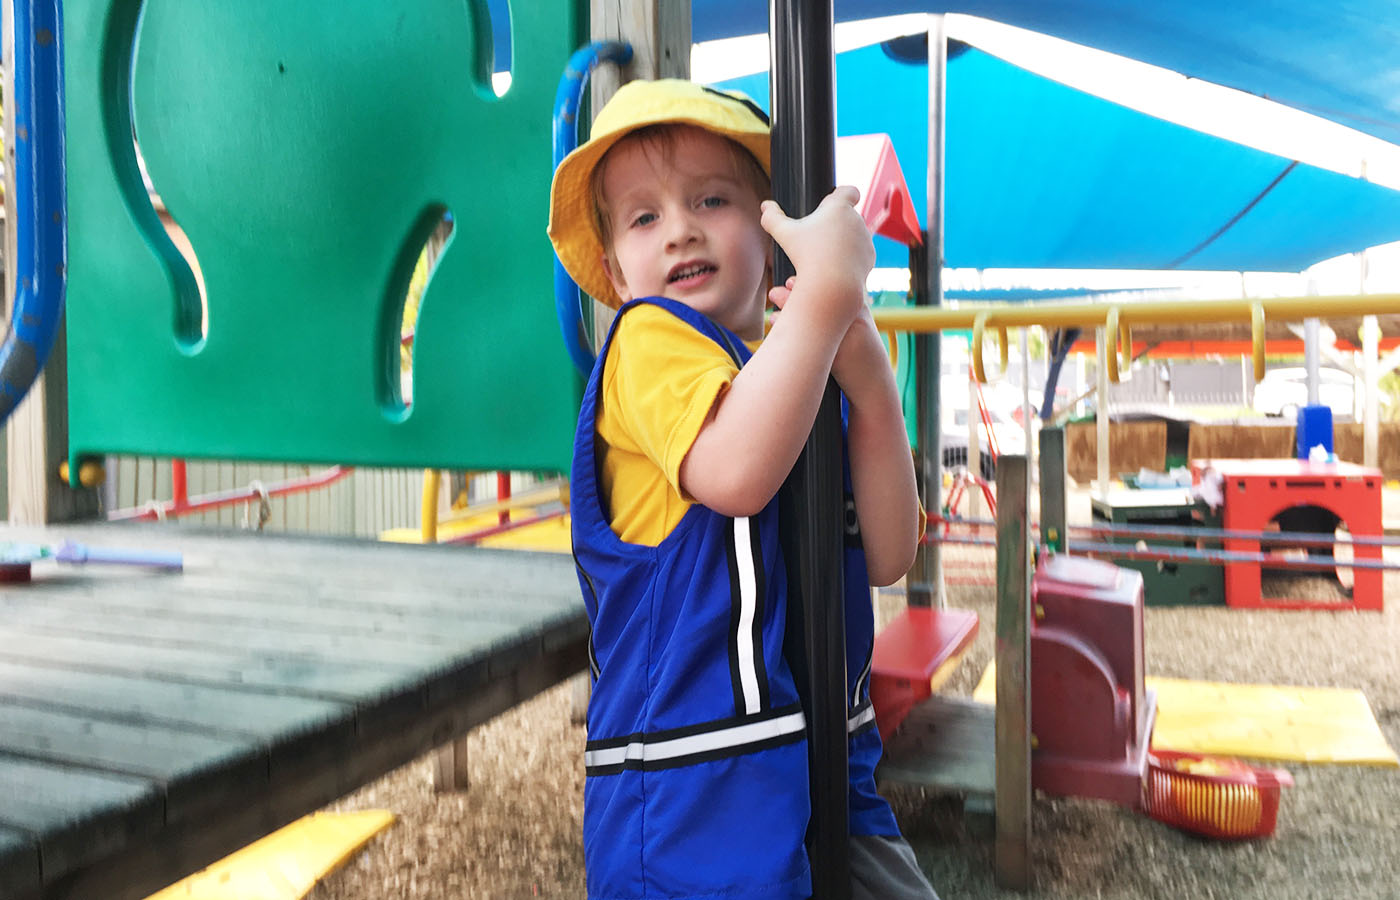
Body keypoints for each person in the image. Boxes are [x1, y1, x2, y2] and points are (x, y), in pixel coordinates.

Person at [548, 78, 936, 900]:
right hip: (693, 800)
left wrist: (872, 393)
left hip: (826, 769)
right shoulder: (645, 342)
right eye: (645, 217)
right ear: (617, 273)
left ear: (771, 236)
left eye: (713, 199)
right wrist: (827, 300)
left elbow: (891, 552)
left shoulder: (785, 371)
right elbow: (734, 472)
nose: (681, 228)